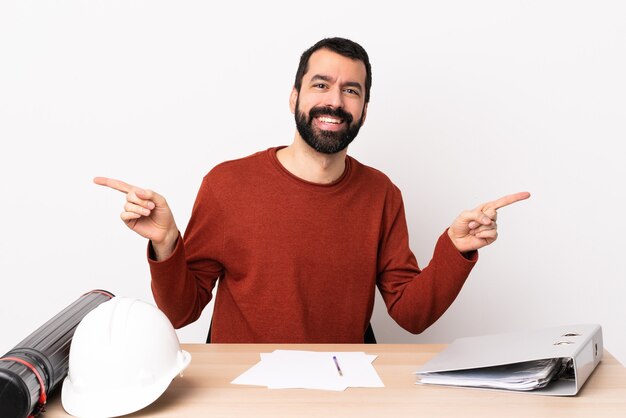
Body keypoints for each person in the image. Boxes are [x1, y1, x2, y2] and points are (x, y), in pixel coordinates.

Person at [95, 37, 530, 343]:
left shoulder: (381, 193)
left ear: (363, 109)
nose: (335, 101)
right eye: (321, 85)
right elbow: (181, 312)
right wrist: (167, 244)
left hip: (343, 385)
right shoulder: (227, 184)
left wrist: (455, 249)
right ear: (294, 96)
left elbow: (411, 315)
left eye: (351, 91)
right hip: (244, 387)